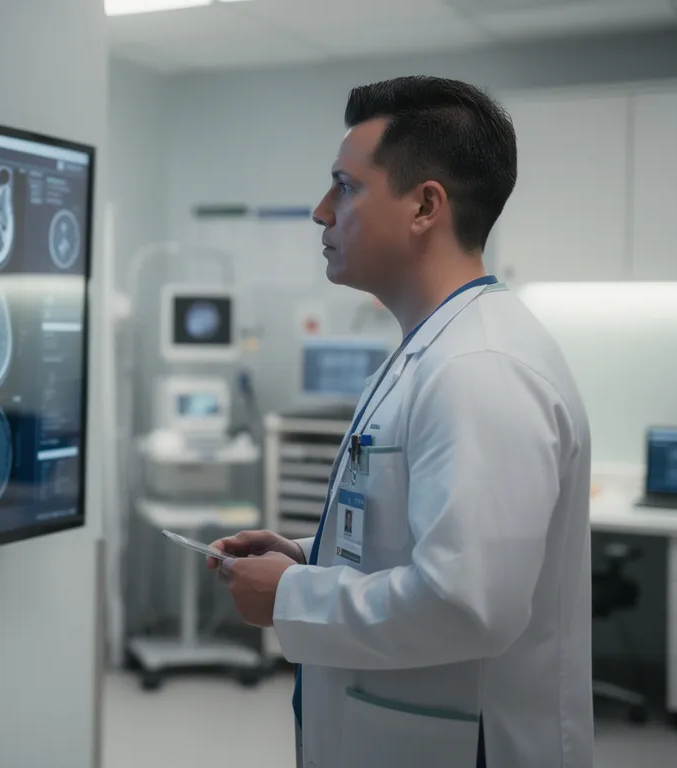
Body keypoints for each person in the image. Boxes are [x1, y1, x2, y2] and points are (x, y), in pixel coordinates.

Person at [208, 76, 593, 768]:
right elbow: (423, 538)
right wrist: (310, 555)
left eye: (344, 187)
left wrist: (292, 595)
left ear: (424, 206)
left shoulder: (479, 367)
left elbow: (467, 603)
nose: (320, 212)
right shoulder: (434, 349)